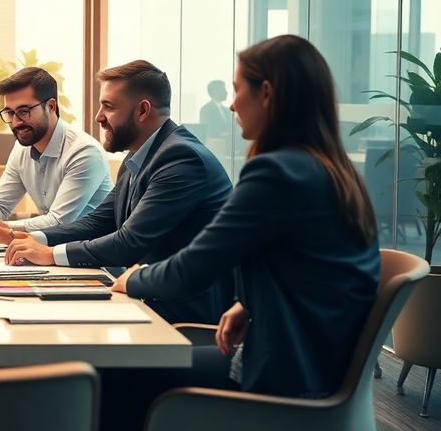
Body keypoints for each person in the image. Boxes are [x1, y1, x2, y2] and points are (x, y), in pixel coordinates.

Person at [103, 35, 381, 430]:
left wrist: (133, 279)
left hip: (284, 375)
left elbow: (194, 268)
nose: (231, 104)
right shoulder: (330, 169)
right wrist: (246, 306)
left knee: (115, 371)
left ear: (266, 93)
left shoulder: (277, 173)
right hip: (316, 363)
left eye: (237, 90)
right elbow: (309, 266)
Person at [0, 60, 234, 325]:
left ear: (143, 110)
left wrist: (50, 254)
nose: (99, 116)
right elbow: (100, 221)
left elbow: (128, 242)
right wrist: (32, 239)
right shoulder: (139, 156)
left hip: (184, 317)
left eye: (108, 107)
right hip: (146, 300)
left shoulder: (180, 158)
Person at [0, 67, 113, 233]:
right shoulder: (21, 149)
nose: (16, 122)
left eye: (24, 111)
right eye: (9, 113)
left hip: (92, 252)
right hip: (49, 248)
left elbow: (59, 221)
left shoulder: (84, 152)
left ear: (51, 106)